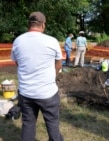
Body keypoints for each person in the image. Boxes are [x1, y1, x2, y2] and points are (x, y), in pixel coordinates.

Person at [11, 11, 64, 141]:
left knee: (28, 123)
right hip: (47, 93)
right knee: (52, 124)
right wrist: (52, 76)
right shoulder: (52, 41)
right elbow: (59, 63)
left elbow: (18, 63)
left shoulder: (18, 41)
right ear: (43, 25)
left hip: (26, 93)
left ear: (28, 24)